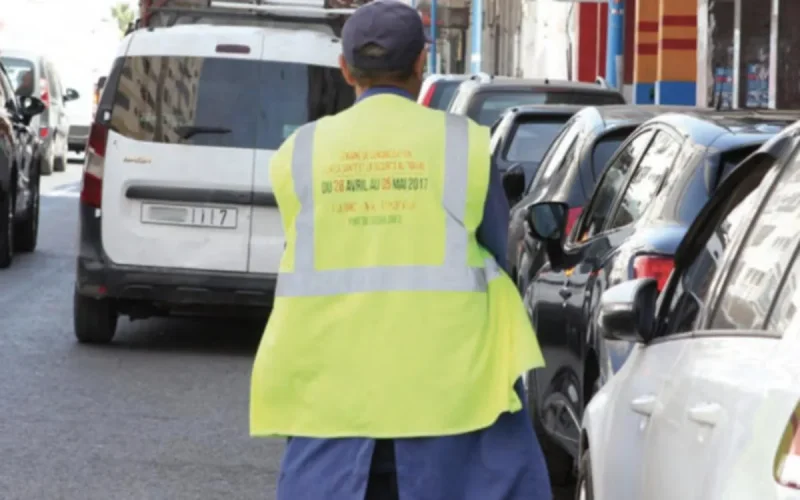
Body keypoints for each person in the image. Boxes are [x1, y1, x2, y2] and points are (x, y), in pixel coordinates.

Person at [249, 1, 552, 498]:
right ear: (421, 64)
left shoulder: (299, 153)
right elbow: (501, 254)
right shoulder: (466, 146)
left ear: (346, 69)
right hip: (452, 405)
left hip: (333, 403)